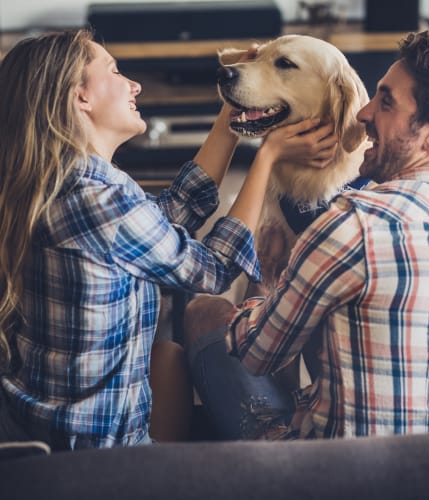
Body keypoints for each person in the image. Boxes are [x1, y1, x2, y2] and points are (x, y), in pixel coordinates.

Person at [0, 29, 338, 449]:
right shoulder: (97, 201)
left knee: (166, 355)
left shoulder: (69, 183)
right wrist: (266, 158)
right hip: (89, 452)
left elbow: (168, 215)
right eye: (115, 71)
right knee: (182, 346)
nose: (134, 85)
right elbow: (212, 270)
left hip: (36, 422)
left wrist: (233, 116)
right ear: (81, 97)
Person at [184, 30, 429, 440]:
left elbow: (258, 353)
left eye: (386, 102)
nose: (363, 114)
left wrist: (275, 293)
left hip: (339, 469)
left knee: (203, 311)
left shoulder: (352, 225)